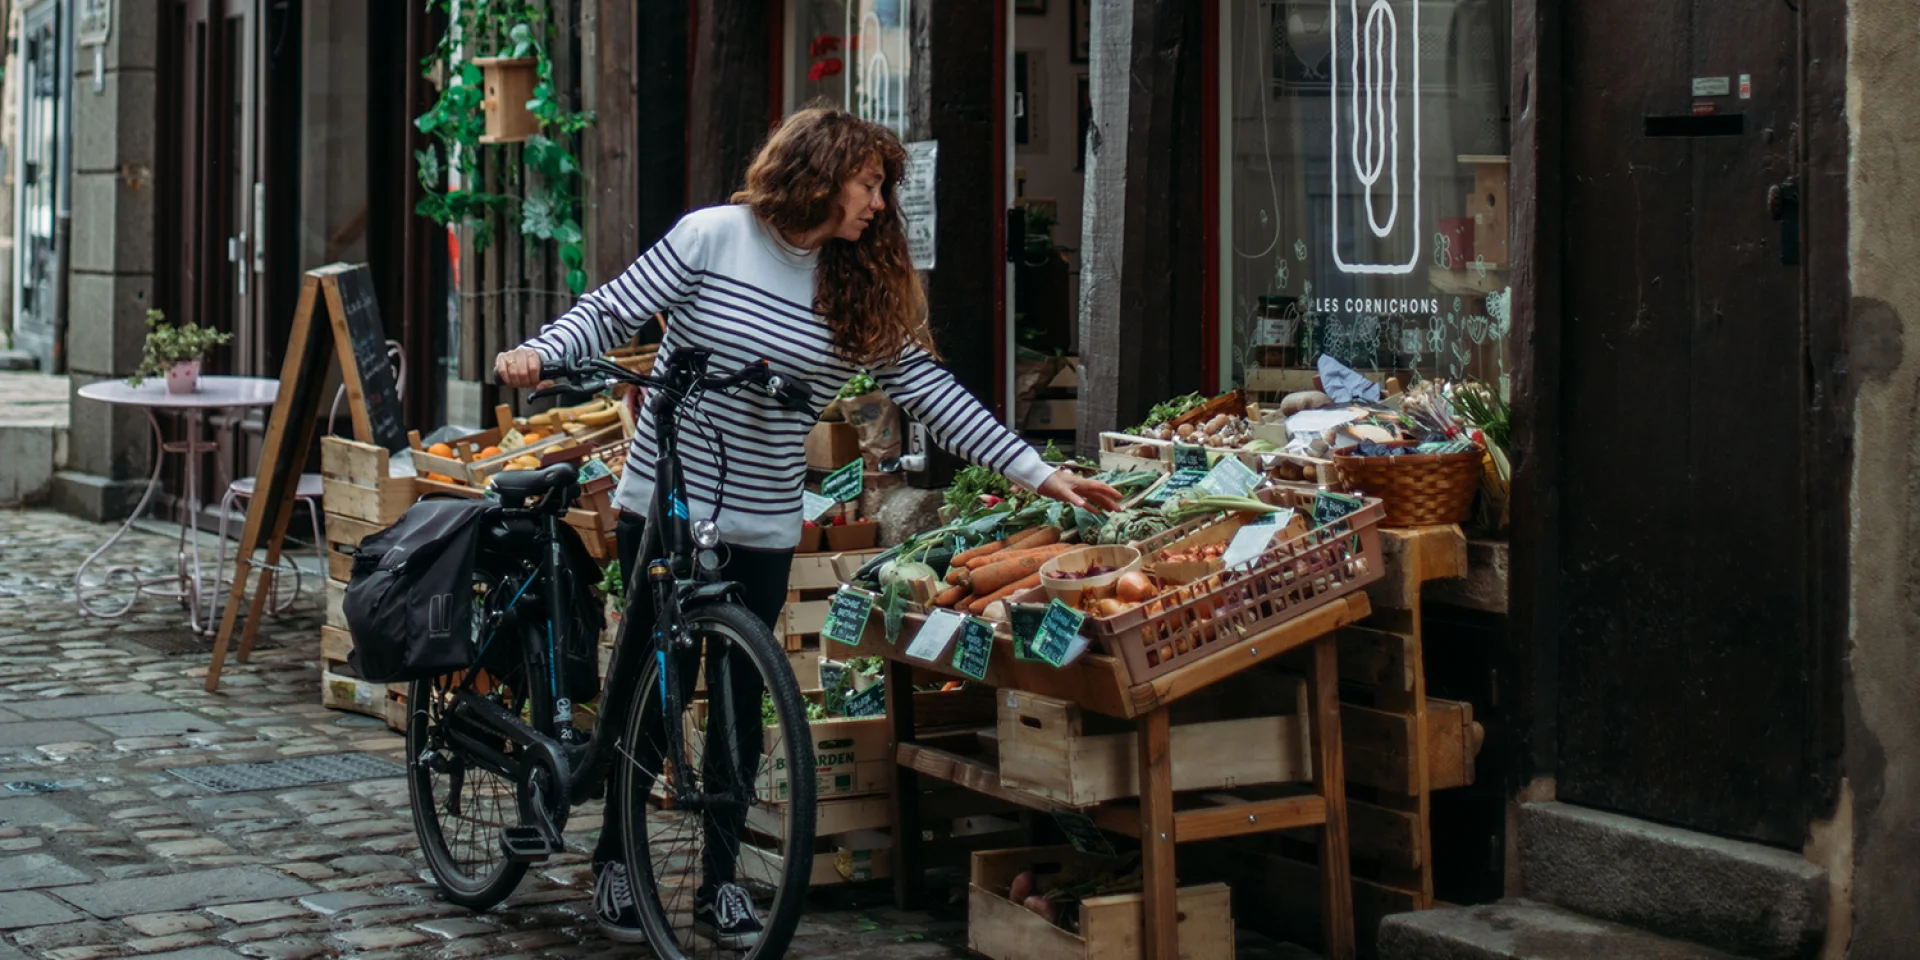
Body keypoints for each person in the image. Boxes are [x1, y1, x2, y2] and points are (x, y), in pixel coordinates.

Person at [497, 106, 1120, 947]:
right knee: (653, 680)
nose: (879, 204)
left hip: (761, 518)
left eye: (882, 189)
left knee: (741, 702)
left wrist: (1038, 470)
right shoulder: (713, 237)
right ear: (820, 176)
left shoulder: (855, 280)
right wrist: (541, 351)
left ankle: (720, 879)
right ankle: (616, 855)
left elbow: (929, 392)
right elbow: (612, 311)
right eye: (869, 184)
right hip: (668, 499)